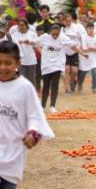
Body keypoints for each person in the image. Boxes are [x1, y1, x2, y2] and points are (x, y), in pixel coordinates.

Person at [0, 41, 55, 189]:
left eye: (8, 63)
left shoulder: (24, 88)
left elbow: (35, 116)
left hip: (13, 156)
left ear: (18, 63)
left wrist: (33, 133)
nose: (3, 67)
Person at [35, 25, 88, 113]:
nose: (55, 36)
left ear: (60, 32)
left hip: (58, 64)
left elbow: (73, 47)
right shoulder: (44, 37)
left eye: (57, 34)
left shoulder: (63, 38)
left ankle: (52, 106)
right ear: (50, 32)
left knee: (55, 84)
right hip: (46, 65)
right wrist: (42, 52)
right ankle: (42, 106)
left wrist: (82, 53)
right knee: (46, 85)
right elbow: (35, 44)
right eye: (53, 34)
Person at [62, 12, 87, 94]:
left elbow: (82, 37)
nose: (68, 22)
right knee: (66, 69)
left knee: (74, 71)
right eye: (66, 21)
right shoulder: (62, 29)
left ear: (72, 20)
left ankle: (72, 83)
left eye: (70, 21)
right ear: (64, 21)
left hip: (75, 51)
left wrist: (82, 48)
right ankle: (66, 89)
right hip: (65, 52)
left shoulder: (77, 28)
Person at [77, 22, 96, 94]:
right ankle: (80, 84)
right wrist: (94, 48)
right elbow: (84, 48)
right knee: (83, 73)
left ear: (94, 29)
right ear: (86, 29)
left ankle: (94, 88)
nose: (90, 30)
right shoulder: (84, 36)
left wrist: (92, 48)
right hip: (84, 57)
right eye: (89, 28)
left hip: (93, 58)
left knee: (94, 72)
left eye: (92, 28)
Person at [12, 19, 38, 86]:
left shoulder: (32, 34)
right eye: (20, 26)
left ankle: (32, 95)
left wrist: (30, 42)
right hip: (20, 61)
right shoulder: (15, 35)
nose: (21, 27)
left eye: (23, 25)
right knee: (20, 79)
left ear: (26, 26)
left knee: (31, 79)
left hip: (31, 60)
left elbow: (37, 43)